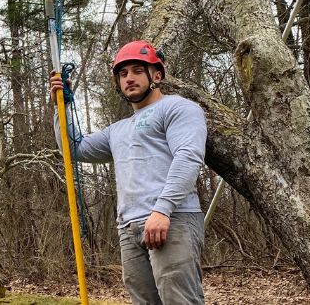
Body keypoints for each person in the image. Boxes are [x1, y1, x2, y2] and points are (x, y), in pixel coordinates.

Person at [50, 40, 206, 304]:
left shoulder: (178, 108)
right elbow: (75, 149)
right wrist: (60, 106)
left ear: (156, 75)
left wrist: (162, 210)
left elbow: (188, 157)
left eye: (136, 70)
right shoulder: (117, 129)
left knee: (180, 300)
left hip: (172, 219)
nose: (129, 78)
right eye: (123, 74)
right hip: (129, 228)